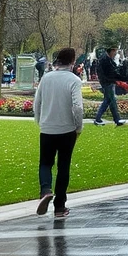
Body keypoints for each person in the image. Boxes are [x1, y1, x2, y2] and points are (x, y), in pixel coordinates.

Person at [33, 47, 84, 218]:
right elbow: (77, 107)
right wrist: (78, 127)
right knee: (63, 166)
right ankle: (60, 206)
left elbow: (37, 103)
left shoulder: (46, 78)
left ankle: (45, 189)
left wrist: (40, 121)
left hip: (48, 128)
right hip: (66, 129)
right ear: (72, 61)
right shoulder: (74, 80)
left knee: (45, 163)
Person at [93, 45, 126, 127]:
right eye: (115, 51)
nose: (115, 53)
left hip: (107, 83)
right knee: (109, 100)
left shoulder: (105, 58)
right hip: (107, 83)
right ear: (111, 51)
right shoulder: (105, 60)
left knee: (110, 101)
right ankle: (98, 119)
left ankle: (117, 119)